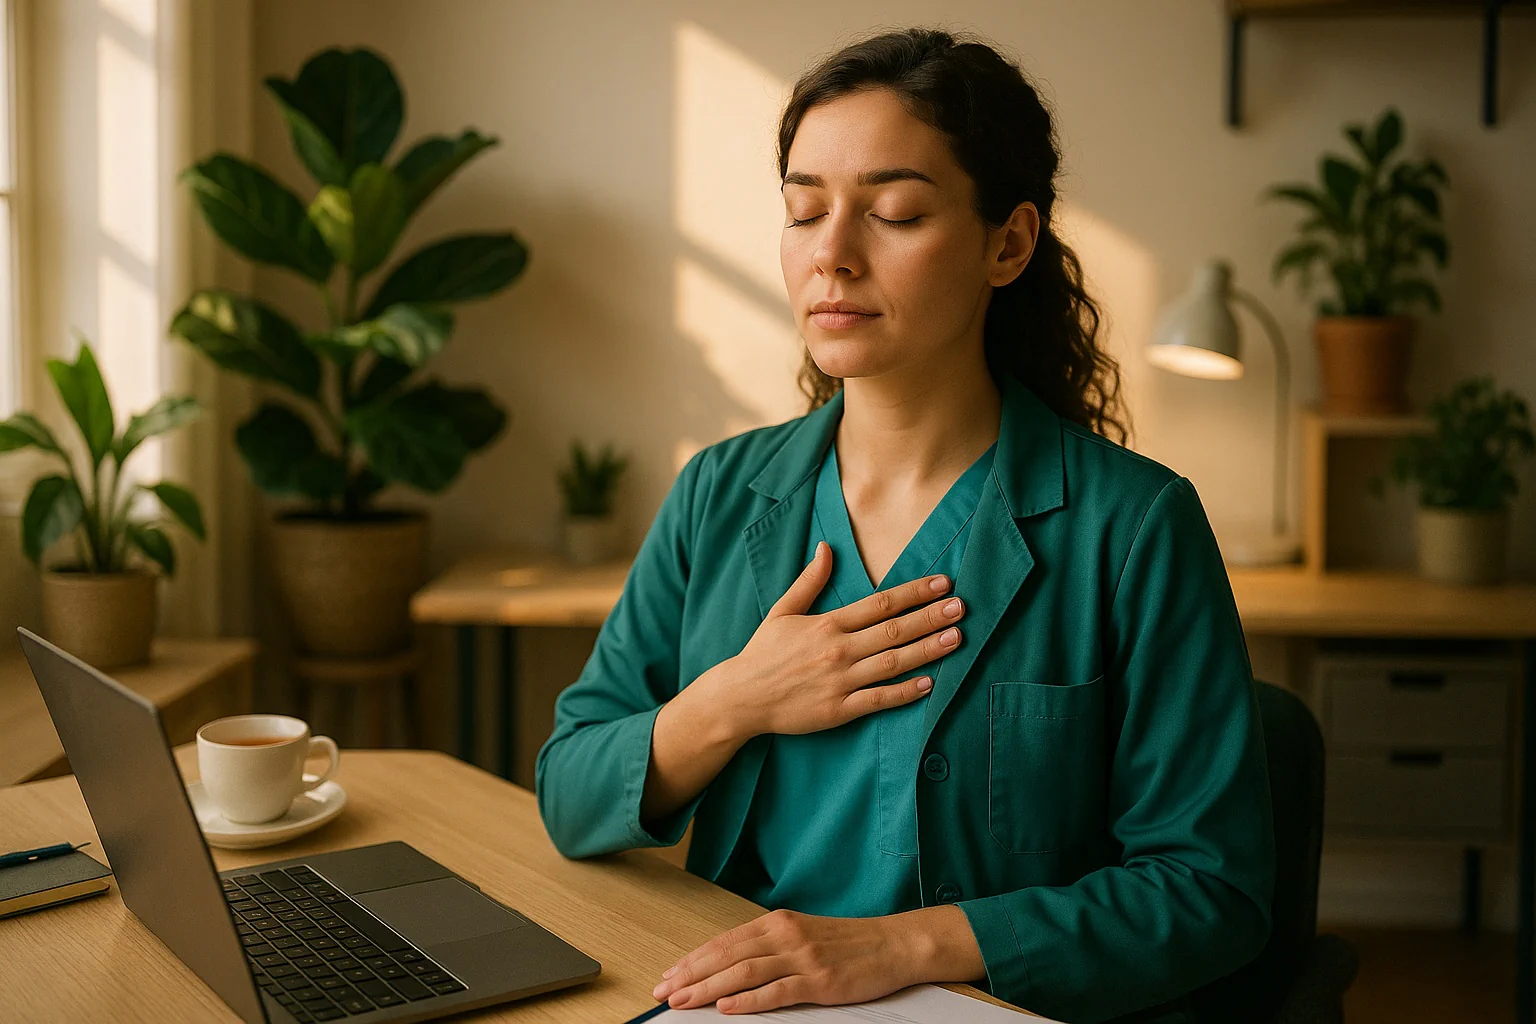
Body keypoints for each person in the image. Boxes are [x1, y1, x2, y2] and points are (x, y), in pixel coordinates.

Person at [535, 26, 1274, 1024]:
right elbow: (570, 792)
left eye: (893, 212)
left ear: (1007, 242)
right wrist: (737, 699)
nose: (831, 254)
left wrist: (901, 947)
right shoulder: (717, 492)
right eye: (804, 211)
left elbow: (1211, 890)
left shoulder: (1135, 526)